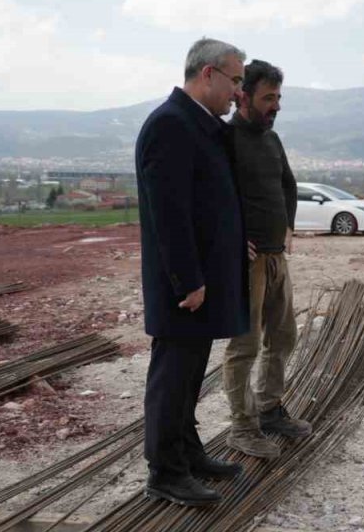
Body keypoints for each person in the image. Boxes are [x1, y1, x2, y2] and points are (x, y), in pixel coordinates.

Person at [135, 38, 251, 507]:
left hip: (200, 281)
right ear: (208, 74)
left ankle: (187, 453)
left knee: (189, 377)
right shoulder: (170, 125)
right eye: (235, 81)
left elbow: (209, 201)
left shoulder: (199, 125)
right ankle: (164, 471)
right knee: (173, 375)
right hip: (183, 286)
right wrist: (189, 280)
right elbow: (170, 214)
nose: (239, 93)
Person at [223, 60, 312, 459]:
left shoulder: (272, 140)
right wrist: (229, 240)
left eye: (278, 98)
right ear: (243, 96)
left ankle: (270, 408)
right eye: (268, 98)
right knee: (245, 346)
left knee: (284, 336)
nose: (275, 106)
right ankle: (242, 427)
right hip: (247, 263)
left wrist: (288, 226)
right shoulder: (224, 140)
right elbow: (210, 200)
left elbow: (288, 185)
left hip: (277, 257)